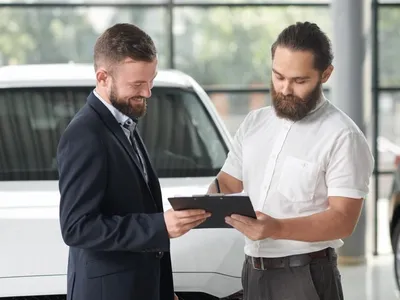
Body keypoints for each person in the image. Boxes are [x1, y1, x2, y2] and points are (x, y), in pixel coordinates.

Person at [207, 21, 374, 300]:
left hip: (306, 277)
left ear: (326, 74)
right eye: (278, 76)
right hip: (252, 271)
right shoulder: (254, 123)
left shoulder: (342, 136)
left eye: (299, 81)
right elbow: (228, 182)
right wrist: (206, 201)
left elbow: (343, 219)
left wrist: (277, 228)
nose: (285, 89)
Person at [57, 23, 210, 300]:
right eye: (138, 84)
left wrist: (163, 290)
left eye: (151, 81)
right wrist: (160, 226)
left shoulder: (124, 124)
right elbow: (76, 227)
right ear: (103, 77)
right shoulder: (85, 134)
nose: (148, 92)